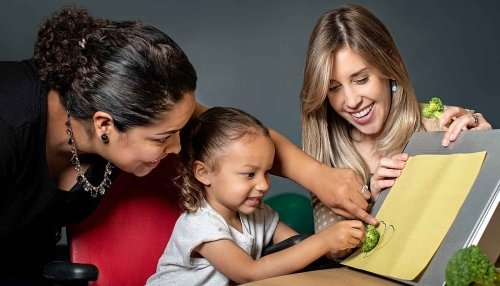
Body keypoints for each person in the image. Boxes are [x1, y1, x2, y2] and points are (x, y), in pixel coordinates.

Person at [0, 5, 374, 282]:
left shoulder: (136, 109)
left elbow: (233, 137)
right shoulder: (10, 126)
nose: (179, 147)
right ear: (105, 125)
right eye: (163, 138)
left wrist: (317, 175)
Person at [299, 4, 492, 251]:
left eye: (361, 79)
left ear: (388, 63)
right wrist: (376, 204)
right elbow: (334, 253)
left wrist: (489, 151)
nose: (351, 101)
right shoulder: (326, 156)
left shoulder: (440, 123)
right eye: (334, 88)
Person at [146, 107, 365, 285]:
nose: (263, 185)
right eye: (249, 174)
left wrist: (337, 248)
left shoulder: (260, 215)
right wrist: (325, 241)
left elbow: (297, 248)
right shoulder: (199, 224)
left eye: (267, 172)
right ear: (204, 173)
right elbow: (248, 273)